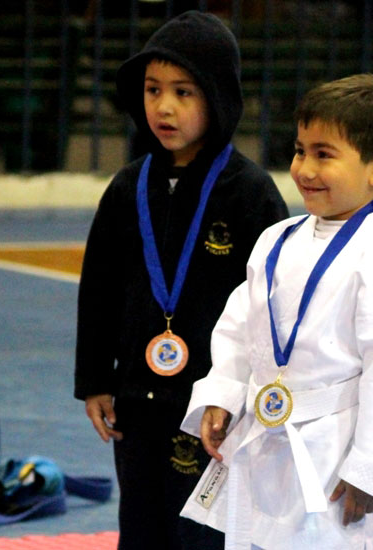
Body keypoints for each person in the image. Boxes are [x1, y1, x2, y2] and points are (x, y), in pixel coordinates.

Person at [176, 73, 373, 549]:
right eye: (301, 150)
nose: (304, 168)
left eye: (324, 154)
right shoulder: (276, 241)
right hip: (263, 435)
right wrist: (223, 393)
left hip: (333, 450)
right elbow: (241, 329)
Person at [73, 11, 289, 550]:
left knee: (200, 532)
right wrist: (95, 379)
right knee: (141, 523)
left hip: (212, 405)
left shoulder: (249, 193)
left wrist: (253, 391)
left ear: (217, 98)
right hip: (136, 399)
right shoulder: (128, 187)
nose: (163, 107)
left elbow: (271, 304)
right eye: (152, 90)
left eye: (183, 92)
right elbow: (98, 290)